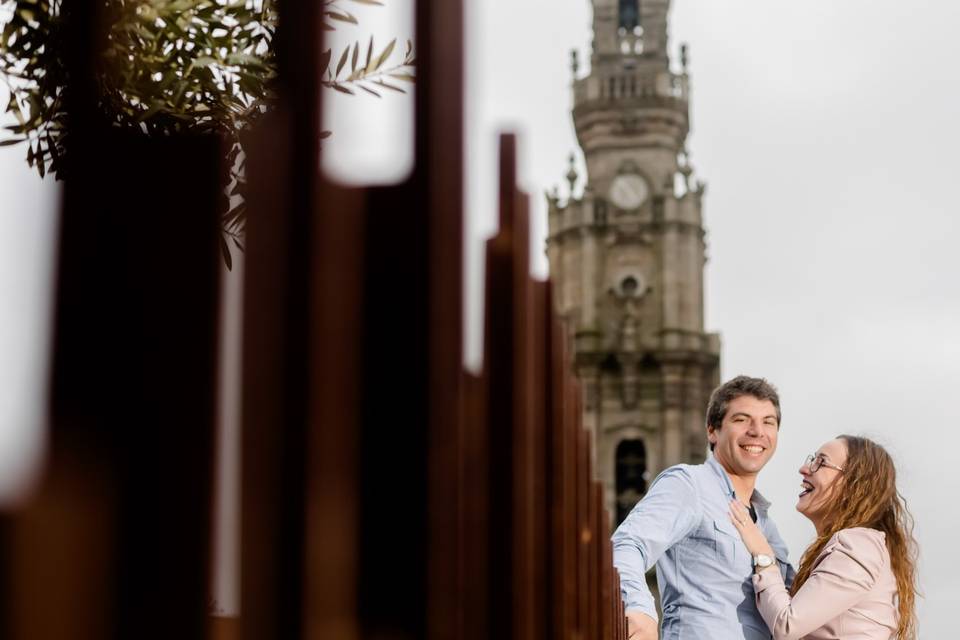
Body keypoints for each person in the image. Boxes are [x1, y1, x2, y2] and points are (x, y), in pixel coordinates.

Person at [612, 376, 796, 640]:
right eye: (742, 419)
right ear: (712, 430)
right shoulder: (689, 485)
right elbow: (627, 543)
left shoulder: (768, 527)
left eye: (768, 422)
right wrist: (639, 608)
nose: (757, 431)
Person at [728, 435, 918, 639]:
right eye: (812, 460)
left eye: (821, 462)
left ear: (854, 484)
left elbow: (787, 624)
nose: (804, 468)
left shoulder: (857, 545)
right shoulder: (862, 546)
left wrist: (763, 554)